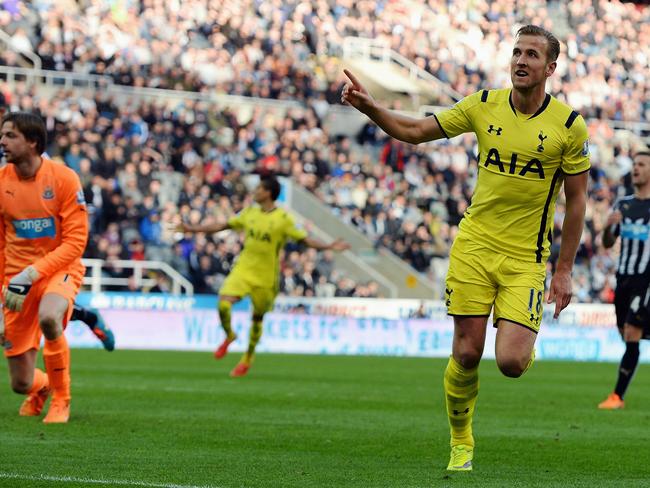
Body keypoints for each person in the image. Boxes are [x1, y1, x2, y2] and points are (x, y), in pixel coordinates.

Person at [342, 25, 590, 471]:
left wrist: (564, 270)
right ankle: (461, 443)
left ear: (550, 68)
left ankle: (523, 340)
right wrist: (371, 108)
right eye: (516, 52)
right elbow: (416, 131)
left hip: (525, 259)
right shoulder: (483, 105)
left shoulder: (569, 127)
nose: (521, 60)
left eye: (532, 55)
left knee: (511, 363)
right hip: (474, 247)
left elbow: (577, 204)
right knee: (466, 353)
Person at [180, 175, 350, 377]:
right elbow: (222, 225)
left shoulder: (283, 219)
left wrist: (329, 246)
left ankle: (247, 358)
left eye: (259, 188)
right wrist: (193, 229)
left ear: (268, 193)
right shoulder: (249, 212)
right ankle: (230, 335)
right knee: (224, 303)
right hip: (243, 269)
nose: (255, 191)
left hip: (266, 276)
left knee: (257, 319)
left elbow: (305, 240)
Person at [0, 111, 89, 423]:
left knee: (50, 317)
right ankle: (45, 387)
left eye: (10, 135)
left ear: (33, 142)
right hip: (15, 280)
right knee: (20, 383)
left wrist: (32, 272)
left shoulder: (64, 179)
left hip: (57, 269)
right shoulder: (1, 184)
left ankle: (62, 400)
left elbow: (76, 243)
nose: (2, 142)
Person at [598, 151, 650, 409]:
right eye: (635, 165)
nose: (636, 169)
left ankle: (617, 396)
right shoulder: (623, 204)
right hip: (623, 280)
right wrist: (608, 227)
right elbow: (608, 243)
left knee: (632, 332)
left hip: (646, 280)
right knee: (625, 333)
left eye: (641, 164)